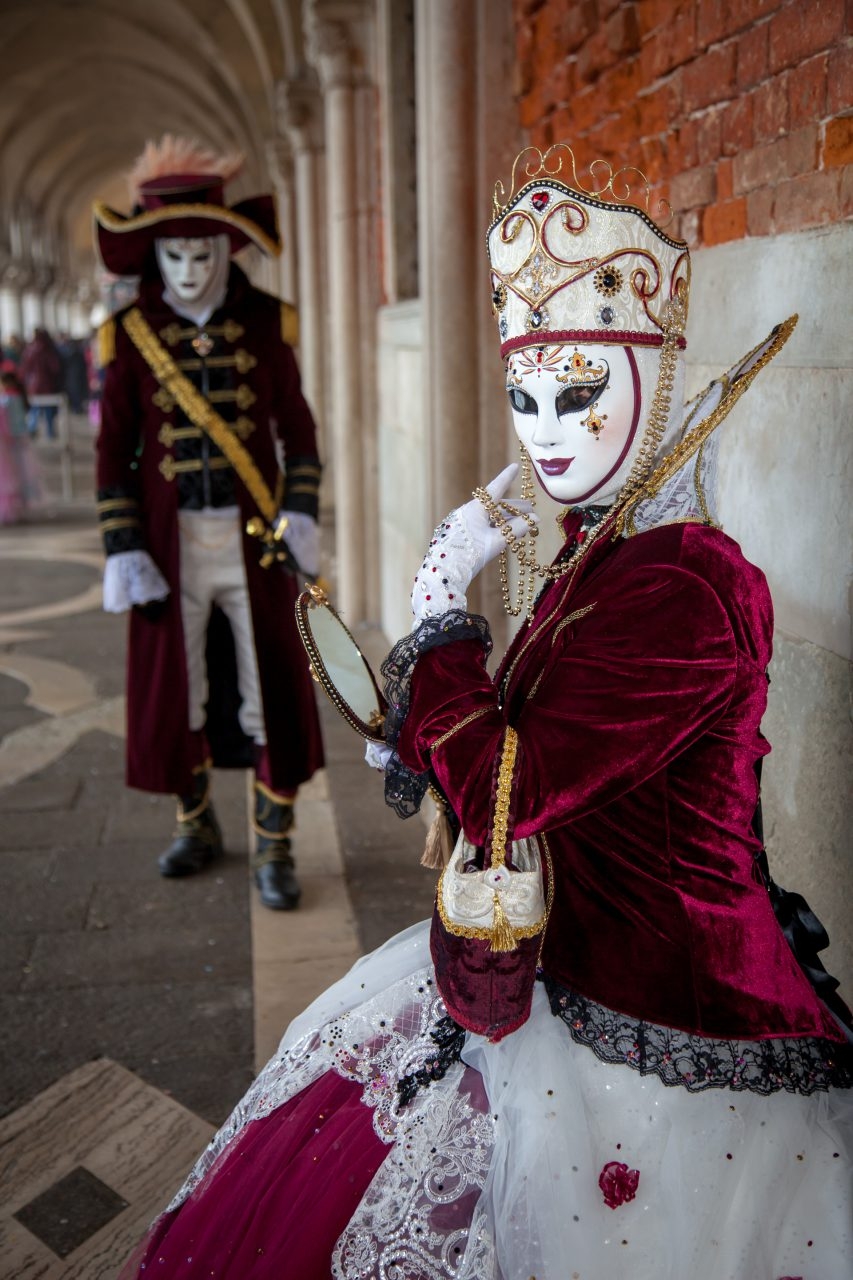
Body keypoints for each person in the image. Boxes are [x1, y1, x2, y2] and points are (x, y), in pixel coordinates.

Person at [121, 145, 851, 1279]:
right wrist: (418, 715)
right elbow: (500, 744)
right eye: (523, 397)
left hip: (671, 1028)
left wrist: (436, 609)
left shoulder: (688, 587)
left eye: (577, 395)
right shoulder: (599, 554)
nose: (544, 432)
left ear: (652, 381)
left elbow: (511, 782)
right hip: (551, 970)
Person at [94, 135, 324, 910]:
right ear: (153, 256)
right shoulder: (126, 336)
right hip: (170, 544)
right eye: (176, 256)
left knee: (270, 691)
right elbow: (113, 452)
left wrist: (300, 509)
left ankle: (276, 847)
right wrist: (124, 545)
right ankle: (196, 826)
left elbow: (299, 427)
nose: (191, 271)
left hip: (254, 539)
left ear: (227, 249)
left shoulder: (267, 321)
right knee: (178, 688)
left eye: (204, 254)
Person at [0, 367, 40, 515]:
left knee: (15, 474)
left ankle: (18, 503)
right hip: (18, 440)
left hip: (13, 441)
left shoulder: (9, 399)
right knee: (21, 474)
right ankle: (21, 502)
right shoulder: (16, 397)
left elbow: (13, 423)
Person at [19, 327, 62, 438]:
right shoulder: (47, 350)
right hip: (46, 384)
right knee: (48, 409)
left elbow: (24, 368)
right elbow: (54, 368)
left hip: (33, 385)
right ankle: (50, 432)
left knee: (34, 408)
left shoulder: (29, 350)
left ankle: (32, 428)